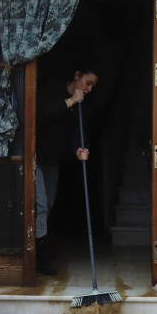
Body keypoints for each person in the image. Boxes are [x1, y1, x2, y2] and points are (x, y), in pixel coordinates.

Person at [35, 66, 99, 275]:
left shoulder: (81, 106)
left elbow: (75, 134)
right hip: (33, 156)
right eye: (87, 83)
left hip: (52, 158)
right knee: (41, 203)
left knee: (49, 201)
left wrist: (78, 149)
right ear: (77, 76)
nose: (88, 90)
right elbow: (39, 113)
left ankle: (40, 244)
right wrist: (70, 102)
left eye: (92, 87)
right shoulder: (52, 87)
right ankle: (38, 254)